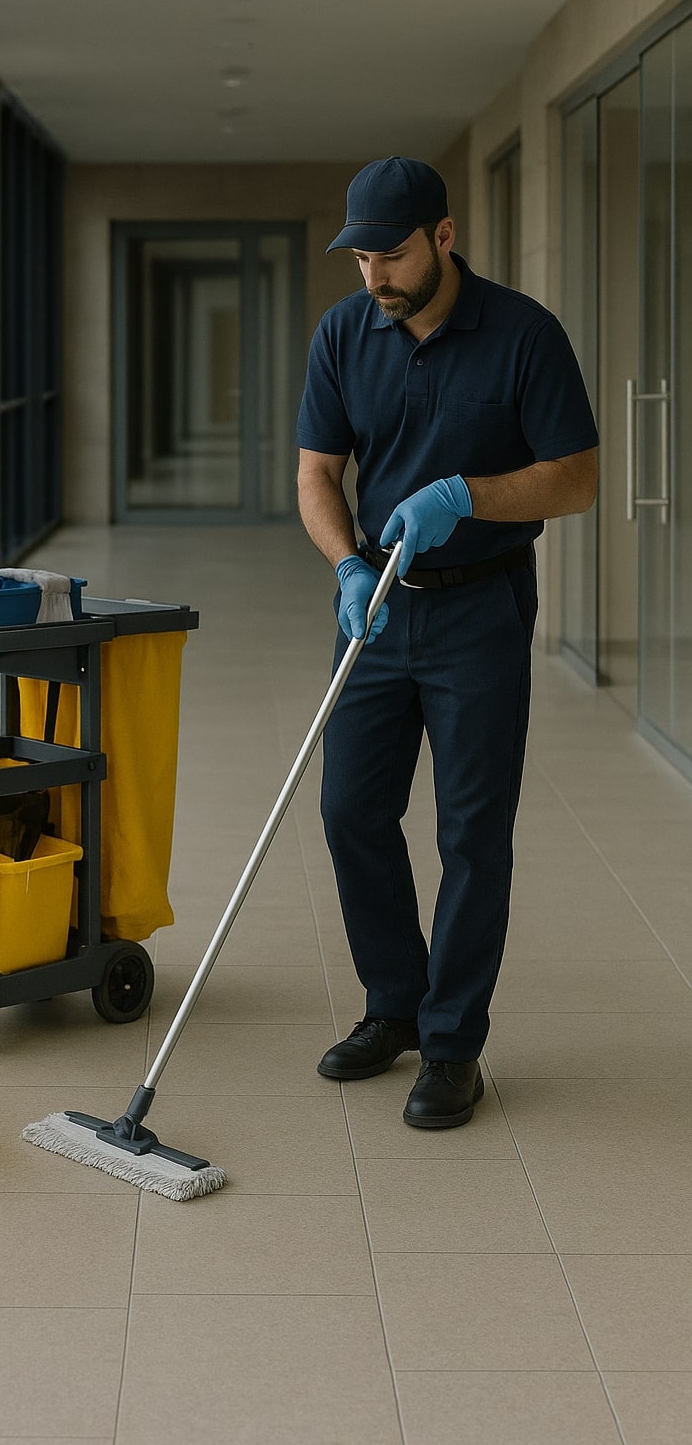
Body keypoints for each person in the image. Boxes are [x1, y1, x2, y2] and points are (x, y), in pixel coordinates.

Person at [296, 156, 598, 1128]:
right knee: (349, 809)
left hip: (480, 609)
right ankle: (393, 1007)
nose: (374, 275)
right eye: (361, 258)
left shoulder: (523, 335)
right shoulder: (345, 333)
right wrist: (346, 565)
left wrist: (468, 494)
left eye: (390, 254)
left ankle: (452, 1044)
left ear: (443, 235)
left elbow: (576, 478)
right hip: (377, 607)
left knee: (471, 832)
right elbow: (316, 475)